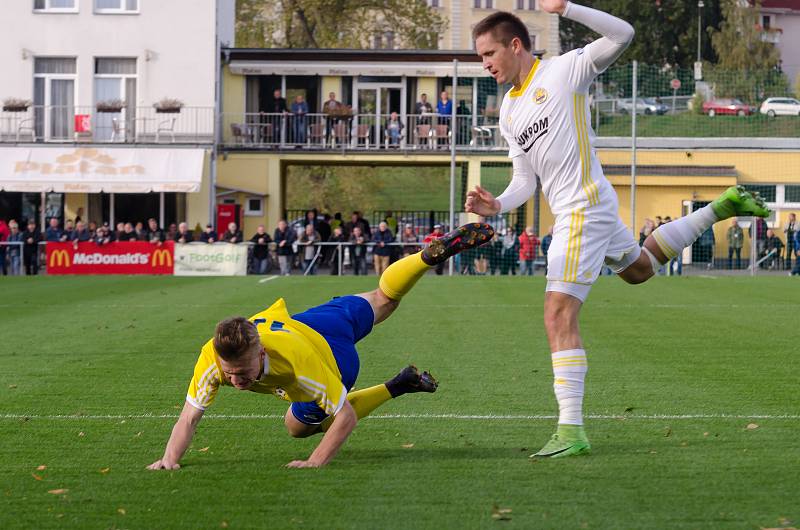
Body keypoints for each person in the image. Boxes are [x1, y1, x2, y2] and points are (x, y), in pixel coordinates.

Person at [468, 4, 770, 458]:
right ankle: (722, 206)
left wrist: (567, 7)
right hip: (593, 205)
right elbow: (525, 181)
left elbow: (624, 33)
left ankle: (570, 430)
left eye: (489, 53)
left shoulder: (565, 70)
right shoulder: (509, 110)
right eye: (480, 57)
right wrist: (497, 205)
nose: (485, 63)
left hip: (582, 209)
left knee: (557, 313)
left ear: (516, 45)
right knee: (640, 269)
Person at [146, 222, 493, 470]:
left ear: (262, 354)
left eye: (244, 373)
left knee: (296, 428)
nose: (236, 381)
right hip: (310, 324)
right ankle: (425, 258)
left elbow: (346, 417)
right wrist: (169, 459)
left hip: (333, 357)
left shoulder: (298, 367)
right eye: (230, 374)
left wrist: (315, 461)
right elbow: (189, 417)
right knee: (384, 299)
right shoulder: (213, 358)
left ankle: (396, 386)